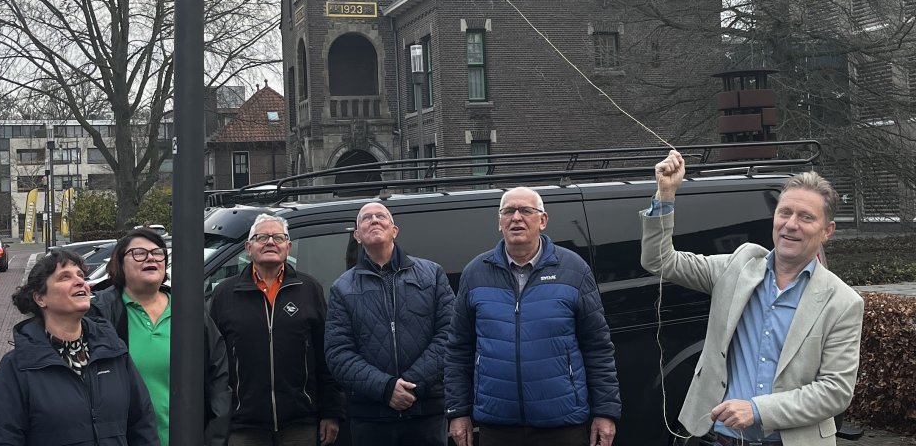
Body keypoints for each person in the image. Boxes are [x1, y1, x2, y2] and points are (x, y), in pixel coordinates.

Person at [643, 150, 864, 446]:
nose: (791, 224)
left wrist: (758, 410)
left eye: (806, 217)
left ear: (827, 231)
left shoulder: (843, 302)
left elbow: (835, 391)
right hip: (721, 439)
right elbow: (660, 261)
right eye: (785, 212)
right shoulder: (737, 268)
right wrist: (665, 195)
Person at [444, 187, 621, 446]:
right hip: (497, 425)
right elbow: (458, 349)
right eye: (508, 211)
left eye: (526, 210)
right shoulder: (474, 273)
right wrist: (458, 412)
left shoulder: (573, 269)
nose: (516, 217)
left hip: (563, 423)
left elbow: (598, 347)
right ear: (499, 222)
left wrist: (605, 412)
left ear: (543, 220)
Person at [0, 249, 158, 446]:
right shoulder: (18, 366)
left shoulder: (114, 352)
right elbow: (3, 439)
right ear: (40, 298)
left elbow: (142, 425)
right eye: (64, 277)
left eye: (81, 276)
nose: (79, 282)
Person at [209, 213, 345, 446]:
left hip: (300, 424)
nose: (271, 242)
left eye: (278, 238)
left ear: (288, 247)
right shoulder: (224, 293)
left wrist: (331, 412)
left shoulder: (309, 289)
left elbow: (326, 356)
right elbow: (213, 361)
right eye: (262, 237)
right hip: (243, 426)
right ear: (248, 247)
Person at [325, 201, 455, 446]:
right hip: (372, 418)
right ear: (357, 236)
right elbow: (338, 354)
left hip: (425, 412)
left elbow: (450, 335)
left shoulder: (432, 275)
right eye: (366, 218)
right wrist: (386, 388)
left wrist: (412, 386)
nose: (374, 220)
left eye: (381, 216)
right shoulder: (342, 288)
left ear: (394, 229)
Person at [90, 228, 231, 446]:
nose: (151, 258)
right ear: (119, 263)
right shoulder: (100, 313)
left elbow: (218, 379)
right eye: (139, 253)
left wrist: (213, 438)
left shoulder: (189, 311)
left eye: (157, 253)